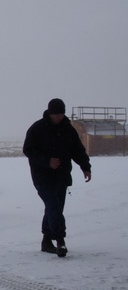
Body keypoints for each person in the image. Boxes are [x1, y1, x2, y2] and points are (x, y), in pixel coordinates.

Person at [22, 98, 92, 257]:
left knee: (55, 208)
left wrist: (85, 167)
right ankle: (60, 240)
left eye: (61, 113)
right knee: (53, 206)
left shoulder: (68, 129)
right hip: (43, 176)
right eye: (56, 114)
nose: (59, 117)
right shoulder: (37, 128)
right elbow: (28, 150)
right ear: (50, 113)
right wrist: (47, 161)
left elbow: (77, 150)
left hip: (62, 175)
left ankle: (47, 241)